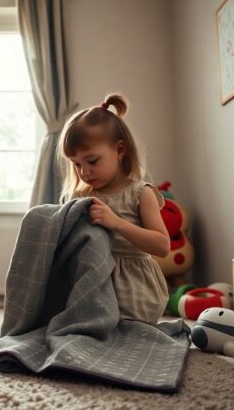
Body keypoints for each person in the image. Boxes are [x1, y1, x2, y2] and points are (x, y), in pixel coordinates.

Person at [57, 93, 170, 325]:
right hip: (94, 281)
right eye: (77, 164)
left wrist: (116, 222)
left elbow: (162, 245)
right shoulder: (83, 196)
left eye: (92, 161)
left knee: (124, 335)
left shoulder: (140, 193)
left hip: (135, 288)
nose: (84, 172)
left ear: (120, 150)